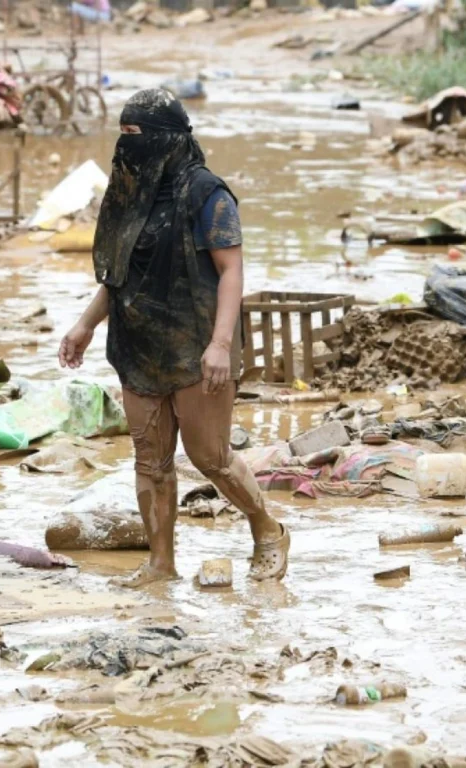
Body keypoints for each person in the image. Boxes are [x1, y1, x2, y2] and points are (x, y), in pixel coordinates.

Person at [58, 89, 290, 588]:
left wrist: (221, 344)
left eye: (135, 135)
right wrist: (84, 324)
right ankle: (161, 563)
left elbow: (231, 272)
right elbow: (119, 275)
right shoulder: (130, 192)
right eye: (121, 134)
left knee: (212, 458)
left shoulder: (208, 194)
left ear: (166, 138)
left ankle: (267, 529)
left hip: (197, 342)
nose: (126, 145)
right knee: (150, 461)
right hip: (138, 343)